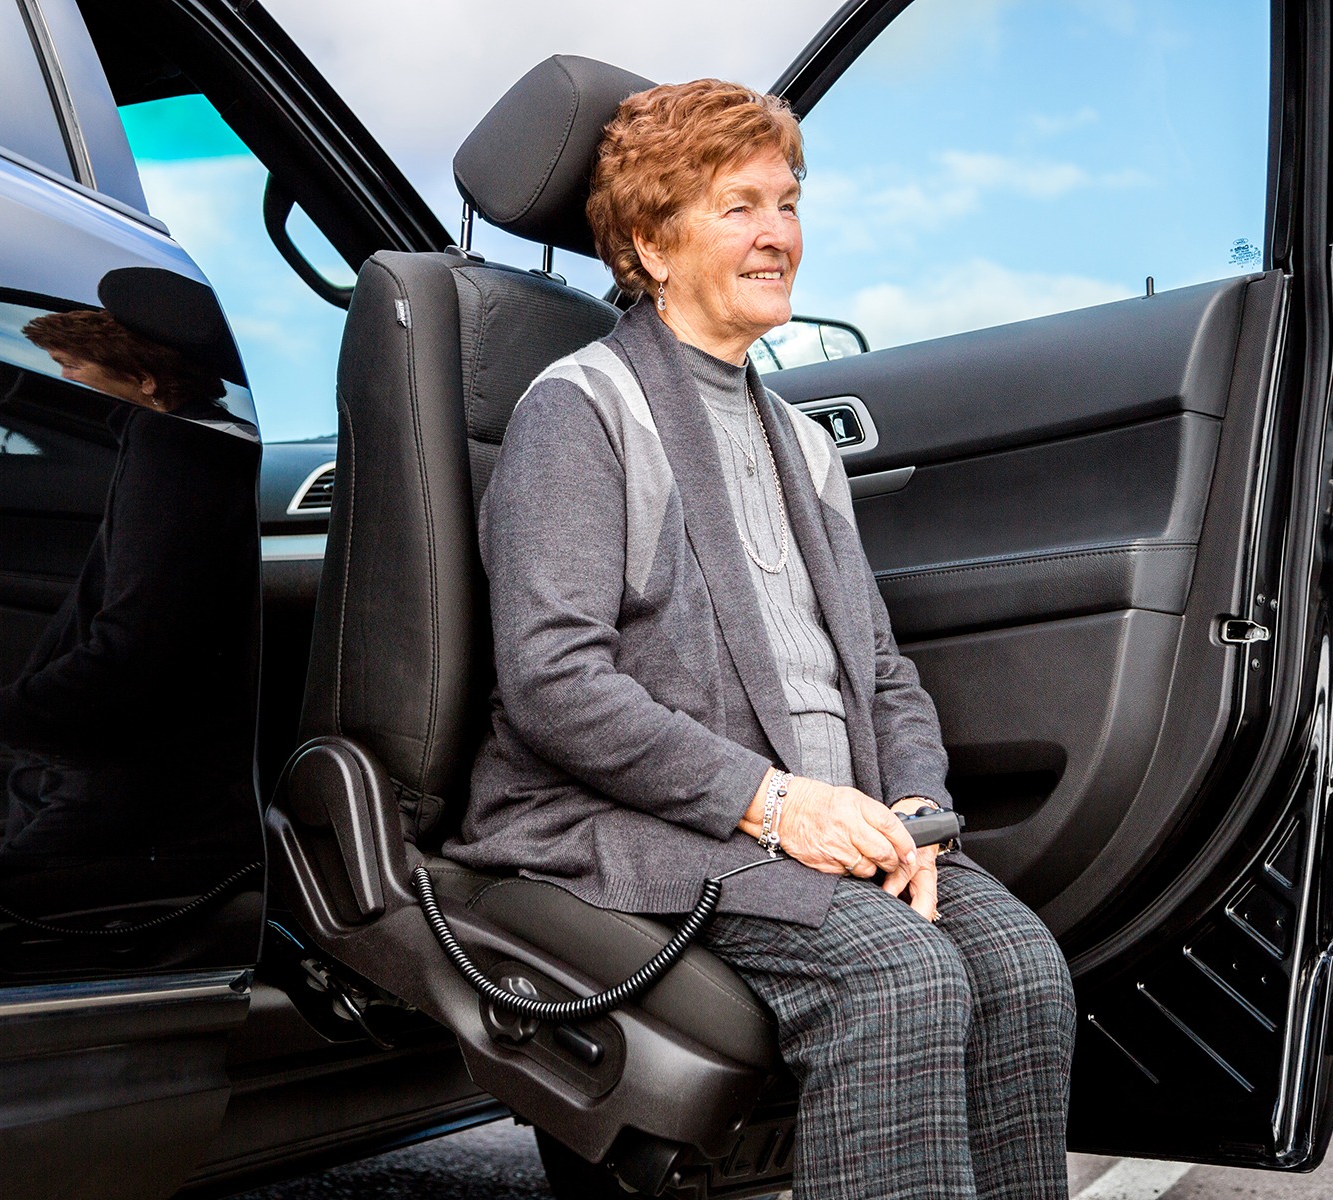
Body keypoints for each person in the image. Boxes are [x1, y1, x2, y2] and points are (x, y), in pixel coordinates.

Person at [446, 80, 1076, 1199]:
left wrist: (918, 823)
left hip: (836, 820)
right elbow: (552, 682)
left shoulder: (801, 442)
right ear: (649, 237)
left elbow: (881, 673)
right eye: (738, 207)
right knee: (899, 978)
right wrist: (778, 804)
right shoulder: (579, 410)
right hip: (644, 822)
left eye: (787, 202)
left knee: (1025, 970)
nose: (778, 234)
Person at [0, 308, 255, 854]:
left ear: (146, 380)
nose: (62, 379)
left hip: (121, 771)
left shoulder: (175, 449)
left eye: (72, 365)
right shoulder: (207, 440)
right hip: (141, 760)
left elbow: (135, 647)